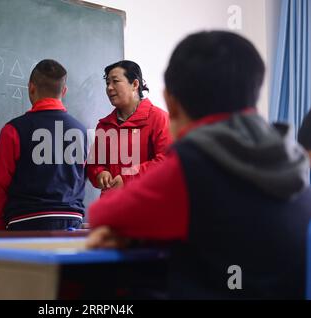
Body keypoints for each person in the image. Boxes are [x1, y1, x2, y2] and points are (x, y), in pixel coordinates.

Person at [87, 31, 311, 299]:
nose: (110, 87)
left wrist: (135, 231)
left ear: (171, 101)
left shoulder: (191, 163)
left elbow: (103, 214)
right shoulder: (292, 156)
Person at [0, 59, 87, 231]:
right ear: (64, 91)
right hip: (71, 221)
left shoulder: (13, 130)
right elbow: (84, 176)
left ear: (31, 87)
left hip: (25, 221)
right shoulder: (81, 131)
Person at [87, 60, 172, 193]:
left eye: (115, 81)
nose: (109, 87)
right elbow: (94, 164)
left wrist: (127, 178)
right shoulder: (104, 125)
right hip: (112, 206)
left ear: (135, 84)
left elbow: (166, 161)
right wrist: (100, 173)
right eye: (108, 83)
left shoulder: (158, 118)